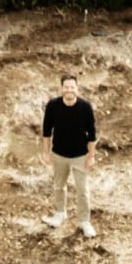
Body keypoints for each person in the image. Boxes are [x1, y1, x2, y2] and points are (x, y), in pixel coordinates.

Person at [42, 73, 97, 239]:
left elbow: (92, 135)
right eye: (66, 87)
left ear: (77, 88)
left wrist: (91, 157)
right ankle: (60, 213)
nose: (69, 90)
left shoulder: (85, 107)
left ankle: (84, 221)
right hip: (59, 154)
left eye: (72, 87)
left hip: (80, 155)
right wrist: (46, 152)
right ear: (61, 89)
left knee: (82, 190)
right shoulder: (53, 106)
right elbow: (46, 132)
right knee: (59, 186)